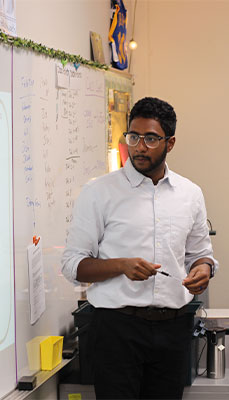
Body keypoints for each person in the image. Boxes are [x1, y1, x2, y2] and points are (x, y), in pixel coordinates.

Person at [61, 97, 218, 400]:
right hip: (116, 329)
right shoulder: (99, 192)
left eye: (150, 138)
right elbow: (72, 265)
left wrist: (204, 268)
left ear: (169, 143)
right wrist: (120, 266)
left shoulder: (190, 194)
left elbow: (200, 252)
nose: (139, 147)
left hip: (173, 329)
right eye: (133, 136)